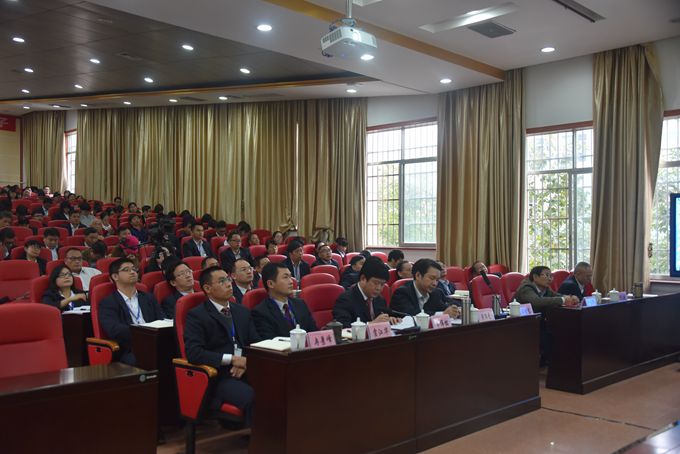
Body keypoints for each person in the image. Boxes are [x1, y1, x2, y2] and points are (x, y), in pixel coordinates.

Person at [184, 266, 261, 426]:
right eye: (221, 281)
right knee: (253, 397)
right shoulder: (197, 315)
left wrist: (244, 361)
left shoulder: (242, 311)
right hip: (219, 376)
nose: (228, 284)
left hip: (247, 368)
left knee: (277, 386)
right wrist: (232, 359)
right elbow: (194, 353)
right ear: (207, 288)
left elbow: (255, 344)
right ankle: (259, 438)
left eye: (228, 279)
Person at [98, 258, 164, 366]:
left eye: (134, 269)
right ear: (115, 276)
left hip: (156, 344)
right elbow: (114, 330)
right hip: (130, 349)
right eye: (126, 270)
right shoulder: (108, 302)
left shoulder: (148, 298)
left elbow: (161, 320)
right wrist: (143, 335)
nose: (132, 272)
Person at [252, 262, 317, 339]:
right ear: (270, 284)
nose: (291, 281)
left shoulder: (300, 304)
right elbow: (270, 341)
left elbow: (313, 333)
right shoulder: (261, 312)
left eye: (290, 277)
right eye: (285, 277)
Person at [333, 257, 401, 328]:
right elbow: (343, 328)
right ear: (363, 279)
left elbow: (382, 318)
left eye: (382, 284)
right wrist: (371, 324)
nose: (379, 288)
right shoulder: (345, 300)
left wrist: (389, 320)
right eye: (375, 283)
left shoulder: (380, 299)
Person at [391, 259, 460, 318]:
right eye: (432, 278)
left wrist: (455, 310)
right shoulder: (402, 293)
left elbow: (447, 305)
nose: (435, 283)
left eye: (437, 280)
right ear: (418, 275)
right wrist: (442, 314)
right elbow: (412, 315)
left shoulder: (436, 292)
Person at [513, 266, 581, 312]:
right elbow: (537, 301)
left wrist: (570, 297)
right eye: (547, 275)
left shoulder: (545, 288)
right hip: (519, 322)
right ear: (535, 277)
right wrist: (563, 300)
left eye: (551, 276)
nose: (550, 279)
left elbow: (555, 295)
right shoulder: (526, 288)